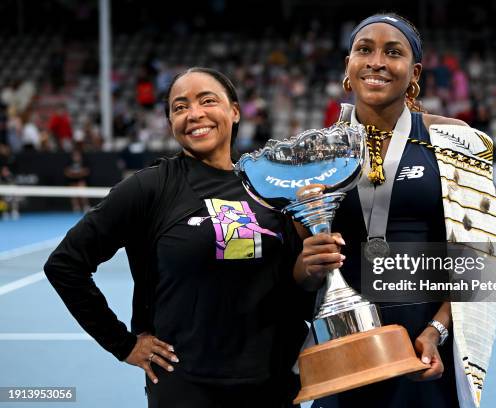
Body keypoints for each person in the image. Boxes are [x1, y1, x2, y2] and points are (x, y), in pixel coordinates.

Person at [44, 67, 316, 408]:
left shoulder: (271, 189)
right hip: (188, 388)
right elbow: (65, 265)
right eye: (179, 107)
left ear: (234, 111)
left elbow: (294, 281)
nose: (194, 114)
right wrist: (122, 344)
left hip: (273, 384)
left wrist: (312, 263)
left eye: (207, 101)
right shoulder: (149, 188)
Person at [296, 13, 496, 408]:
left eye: (393, 52)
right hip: (343, 349)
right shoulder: (313, 154)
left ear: (414, 71)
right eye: (364, 50)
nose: (376, 61)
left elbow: (483, 259)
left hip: (425, 350)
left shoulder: (457, 142)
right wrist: (306, 266)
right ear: (348, 67)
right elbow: (295, 274)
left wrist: (436, 332)